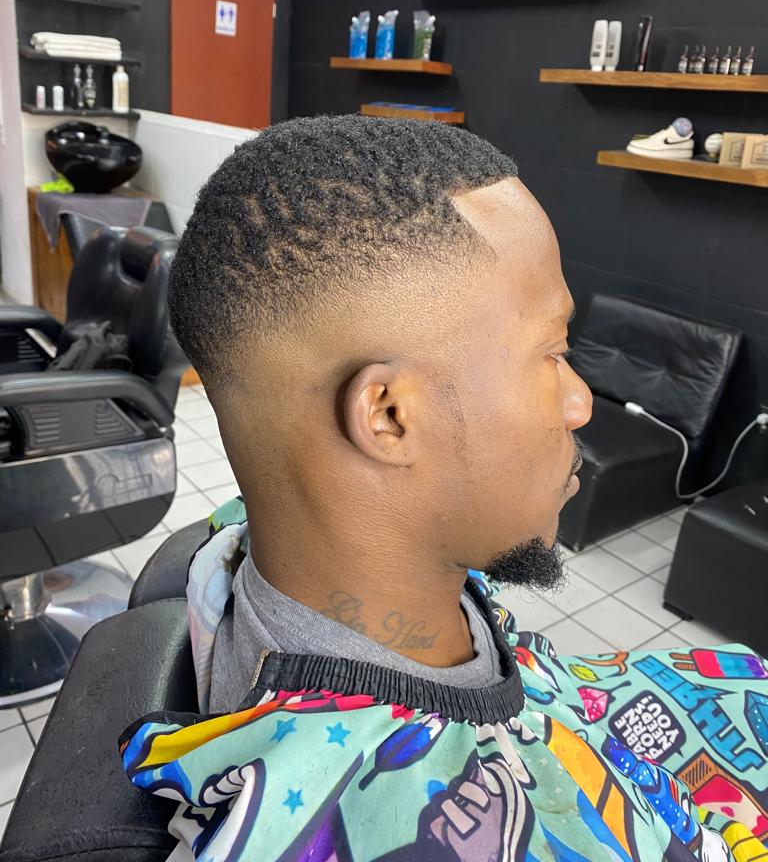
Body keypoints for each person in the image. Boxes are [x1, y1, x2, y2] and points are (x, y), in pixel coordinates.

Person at [120, 116, 768, 861]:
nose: (580, 402)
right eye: (554, 352)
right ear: (391, 417)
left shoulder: (272, 546)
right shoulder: (414, 828)